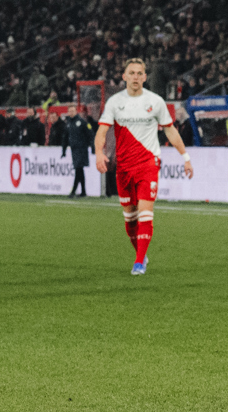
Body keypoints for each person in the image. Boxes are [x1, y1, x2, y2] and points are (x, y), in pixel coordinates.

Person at [93, 58, 194, 276]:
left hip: (148, 164)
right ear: (124, 76)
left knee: (146, 213)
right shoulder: (115, 102)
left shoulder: (155, 101)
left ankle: (139, 262)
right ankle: (141, 253)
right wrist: (99, 153)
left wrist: (185, 157)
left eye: (140, 73)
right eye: (132, 73)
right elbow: (101, 131)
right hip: (123, 168)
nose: (136, 77)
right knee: (130, 219)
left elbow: (170, 130)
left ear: (145, 77)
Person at [59, 105, 93, 197]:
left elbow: (90, 134)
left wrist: (92, 146)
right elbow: (65, 138)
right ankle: (83, 192)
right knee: (80, 170)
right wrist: (63, 150)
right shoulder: (68, 123)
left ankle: (73, 191)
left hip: (82, 149)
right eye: (70, 111)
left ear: (76, 111)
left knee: (78, 169)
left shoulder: (81, 122)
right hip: (74, 150)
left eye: (73, 111)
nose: (71, 113)